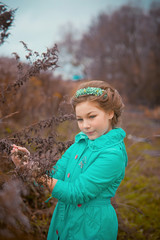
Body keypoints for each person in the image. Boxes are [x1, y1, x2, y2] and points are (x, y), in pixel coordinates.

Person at [11, 80, 128, 240]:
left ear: (110, 113)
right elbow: (53, 176)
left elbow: (76, 193)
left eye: (91, 116)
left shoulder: (113, 154)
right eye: (80, 119)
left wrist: (37, 175)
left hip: (91, 226)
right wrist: (28, 165)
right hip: (63, 218)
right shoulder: (79, 144)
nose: (85, 125)